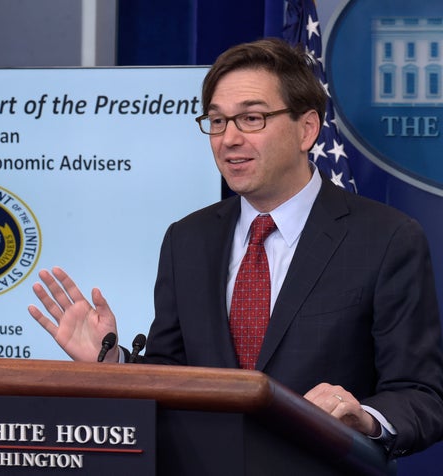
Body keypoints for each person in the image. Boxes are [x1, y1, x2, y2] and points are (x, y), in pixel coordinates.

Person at [28, 38, 443, 457]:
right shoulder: (186, 239)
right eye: (217, 121)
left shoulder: (386, 238)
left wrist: (363, 418)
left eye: (251, 118)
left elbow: (421, 396)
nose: (229, 139)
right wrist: (111, 363)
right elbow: (174, 376)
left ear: (307, 129)